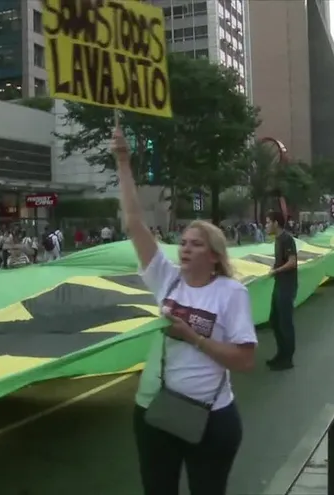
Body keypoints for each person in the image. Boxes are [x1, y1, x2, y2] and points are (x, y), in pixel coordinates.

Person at [112, 125, 256, 495]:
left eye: (196, 244)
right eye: (183, 242)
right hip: (156, 412)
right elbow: (133, 223)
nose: (185, 248)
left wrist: (192, 337)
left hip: (211, 417)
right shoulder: (167, 280)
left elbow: (243, 360)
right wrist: (123, 162)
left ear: (213, 255)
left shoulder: (231, 293)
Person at [266, 211, 298, 371]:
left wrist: (276, 271)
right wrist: (273, 268)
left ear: (275, 223)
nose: (266, 226)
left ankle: (288, 358)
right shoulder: (277, 240)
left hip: (287, 285)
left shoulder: (287, 239)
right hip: (279, 284)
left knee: (285, 322)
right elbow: (281, 261)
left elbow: (292, 262)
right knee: (274, 320)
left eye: (267, 222)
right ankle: (281, 353)